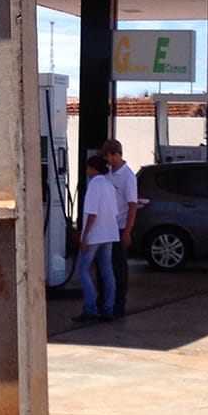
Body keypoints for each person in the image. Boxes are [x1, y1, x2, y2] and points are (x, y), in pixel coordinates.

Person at [74, 152, 120, 323]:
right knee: (107, 270)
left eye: (88, 167)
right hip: (109, 233)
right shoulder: (109, 185)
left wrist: (84, 237)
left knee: (83, 270)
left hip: (95, 234)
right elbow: (114, 212)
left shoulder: (94, 185)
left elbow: (92, 213)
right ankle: (109, 308)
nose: (86, 170)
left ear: (93, 169)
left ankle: (90, 308)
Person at [101, 138, 140, 317]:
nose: (106, 160)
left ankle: (119, 304)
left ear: (116, 155)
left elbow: (132, 205)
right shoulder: (107, 174)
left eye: (108, 156)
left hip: (119, 227)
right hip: (106, 227)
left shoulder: (128, 176)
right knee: (104, 265)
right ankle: (106, 301)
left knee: (118, 267)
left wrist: (127, 231)